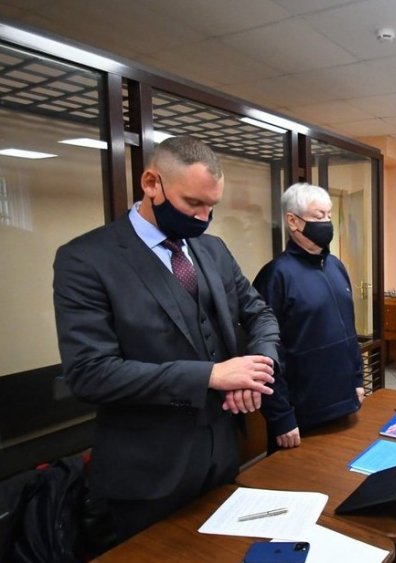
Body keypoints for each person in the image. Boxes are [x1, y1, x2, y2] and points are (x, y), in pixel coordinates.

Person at [52, 136, 281, 546]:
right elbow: (90, 373)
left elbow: (259, 313)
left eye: (212, 206)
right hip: (148, 472)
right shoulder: (86, 259)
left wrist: (257, 368)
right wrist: (210, 376)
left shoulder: (213, 250)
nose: (203, 217)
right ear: (151, 183)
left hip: (222, 453)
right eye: (193, 203)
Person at [252, 183, 364, 451]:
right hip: (301, 417)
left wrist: (358, 380)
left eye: (329, 215)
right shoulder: (276, 275)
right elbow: (265, 355)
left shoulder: (336, 266)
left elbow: (348, 330)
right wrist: (281, 416)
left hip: (346, 405)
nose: (327, 222)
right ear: (293, 221)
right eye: (318, 216)